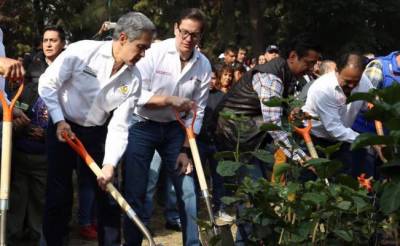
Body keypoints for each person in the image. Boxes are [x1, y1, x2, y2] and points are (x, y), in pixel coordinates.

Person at [38, 12, 155, 246]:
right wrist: (60, 120)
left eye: (146, 49)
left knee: (109, 197)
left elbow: (120, 124)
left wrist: (110, 163)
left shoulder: (133, 79)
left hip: (96, 133)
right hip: (63, 128)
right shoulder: (82, 52)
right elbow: (47, 84)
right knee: (58, 197)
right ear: (122, 38)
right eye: (140, 47)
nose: (143, 55)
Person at [214, 33, 320, 245]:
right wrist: (300, 157)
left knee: (263, 194)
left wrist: (293, 111)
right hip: (237, 138)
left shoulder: (287, 74)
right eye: (308, 63)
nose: (311, 68)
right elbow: (274, 125)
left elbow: (276, 111)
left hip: (255, 138)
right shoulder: (271, 76)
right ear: (292, 56)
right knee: (252, 196)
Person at [123, 8, 211, 246]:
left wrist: (185, 149)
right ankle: (133, 241)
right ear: (175, 29)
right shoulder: (154, 53)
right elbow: (135, 95)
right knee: (136, 191)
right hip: (141, 126)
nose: (188, 39)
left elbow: (198, 112)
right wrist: (169, 100)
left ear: (200, 37)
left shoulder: (203, 65)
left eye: (194, 35)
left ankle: (192, 243)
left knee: (188, 190)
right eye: (184, 32)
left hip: (175, 131)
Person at [6, 25, 65, 245]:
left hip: (46, 155)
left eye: (53, 40)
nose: (48, 44)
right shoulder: (29, 70)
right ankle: (11, 237)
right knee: (17, 199)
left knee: (41, 202)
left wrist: (49, 133)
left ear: (63, 44)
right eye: (45, 40)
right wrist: (18, 122)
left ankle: (38, 238)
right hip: (22, 149)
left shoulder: (68, 75)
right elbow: (15, 104)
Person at [302, 53, 382, 177]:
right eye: (347, 81)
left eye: (356, 82)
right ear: (337, 71)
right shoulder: (323, 89)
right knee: (312, 182)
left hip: (342, 141)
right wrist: (370, 141)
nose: (351, 86)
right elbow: (335, 129)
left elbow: (373, 103)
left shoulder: (364, 82)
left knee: (343, 181)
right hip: (315, 141)